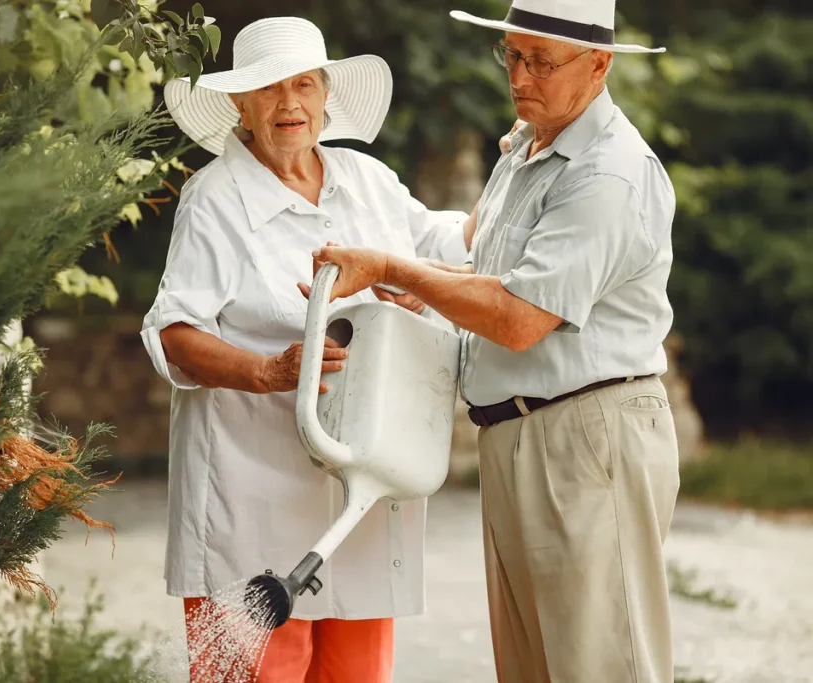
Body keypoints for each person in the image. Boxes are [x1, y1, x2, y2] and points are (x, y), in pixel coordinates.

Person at [302, 1, 681, 681]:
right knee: (533, 669)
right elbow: (489, 275)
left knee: (600, 666)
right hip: (518, 433)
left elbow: (518, 315)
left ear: (599, 66)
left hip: (586, 435)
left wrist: (393, 267)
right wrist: (421, 287)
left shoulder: (609, 173)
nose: (519, 76)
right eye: (511, 54)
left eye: (540, 60)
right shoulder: (529, 146)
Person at [142, 16, 473, 683]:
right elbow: (175, 335)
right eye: (269, 89)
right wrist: (269, 372)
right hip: (249, 504)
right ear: (240, 104)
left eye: (303, 85)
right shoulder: (215, 199)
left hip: (357, 507)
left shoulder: (368, 181)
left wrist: (416, 288)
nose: (289, 103)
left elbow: (451, 249)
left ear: (326, 95)